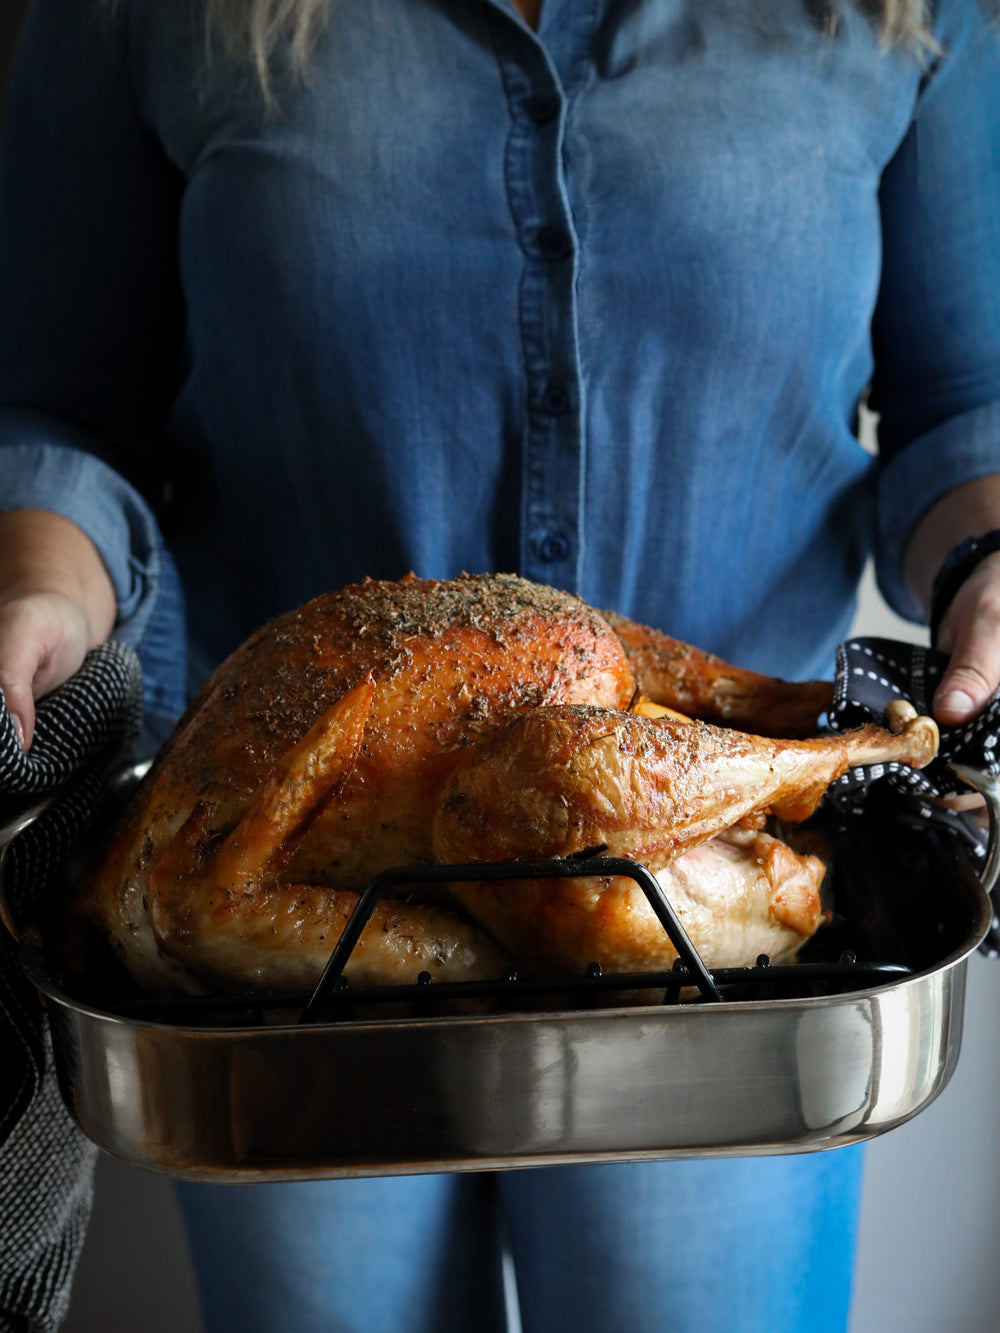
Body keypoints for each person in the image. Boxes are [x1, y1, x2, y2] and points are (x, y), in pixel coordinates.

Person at [1, 0, 999, 1329]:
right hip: (288, 904)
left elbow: (963, 398)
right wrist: (32, 582)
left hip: (721, 939)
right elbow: (63, 403)